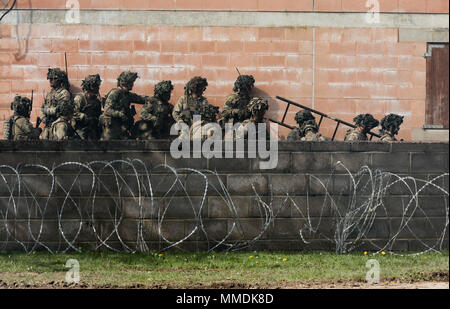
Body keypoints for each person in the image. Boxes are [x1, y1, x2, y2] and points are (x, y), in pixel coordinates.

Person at [100, 71, 147, 140]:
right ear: (125, 83)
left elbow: (141, 99)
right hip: (112, 128)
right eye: (131, 82)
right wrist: (120, 114)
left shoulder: (127, 94)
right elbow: (107, 110)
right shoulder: (115, 93)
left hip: (121, 127)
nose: (132, 84)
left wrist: (153, 99)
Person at [40, 68, 72, 140]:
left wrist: (46, 110)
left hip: (59, 122)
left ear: (59, 80)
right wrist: (43, 117)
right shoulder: (49, 93)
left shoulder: (64, 93)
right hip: (48, 123)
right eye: (50, 79)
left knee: (60, 138)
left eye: (53, 79)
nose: (50, 81)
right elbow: (42, 108)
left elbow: (59, 110)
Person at [72, 74, 103, 140]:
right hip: (81, 130)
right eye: (95, 86)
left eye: (97, 86)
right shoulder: (80, 98)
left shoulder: (96, 101)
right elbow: (72, 112)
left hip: (93, 130)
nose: (97, 88)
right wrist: (82, 116)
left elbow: (98, 115)